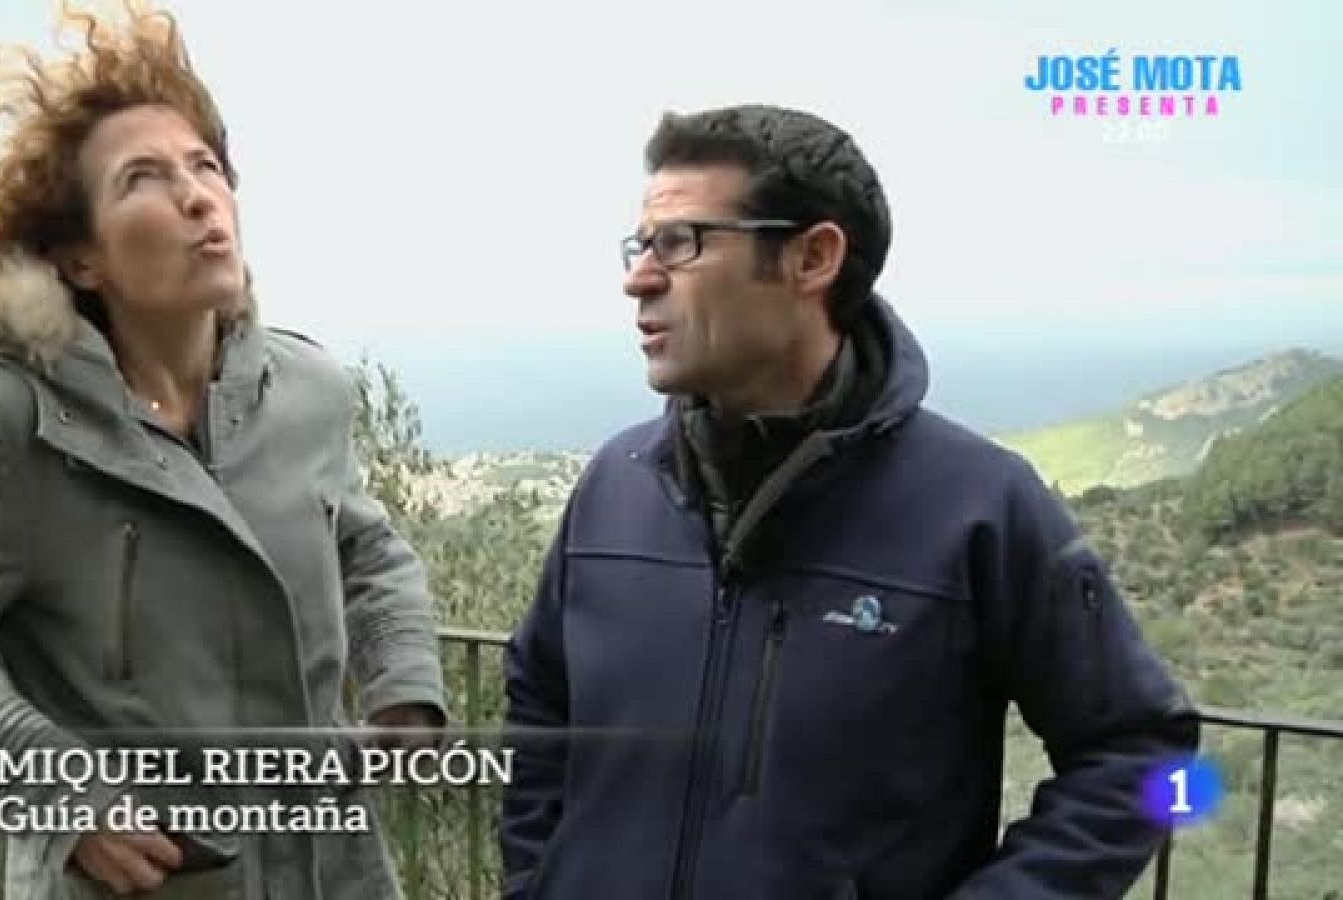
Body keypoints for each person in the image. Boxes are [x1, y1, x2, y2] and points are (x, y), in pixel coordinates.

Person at [0, 3, 446, 898]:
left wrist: (406, 683)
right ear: (82, 260)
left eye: (205, 167)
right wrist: (53, 796)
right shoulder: (15, 423)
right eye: (143, 179)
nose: (198, 196)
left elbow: (365, 546)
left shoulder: (308, 391)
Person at [500, 104, 1200, 899]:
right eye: (640, 245)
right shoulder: (615, 483)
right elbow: (540, 703)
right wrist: (538, 879)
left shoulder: (981, 507)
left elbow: (1145, 757)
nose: (639, 277)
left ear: (812, 258)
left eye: (681, 243)